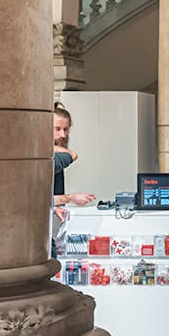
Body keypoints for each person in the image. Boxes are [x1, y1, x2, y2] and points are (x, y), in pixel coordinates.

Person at [51, 102, 93, 241]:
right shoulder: (45, 159)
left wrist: (54, 206)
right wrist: (71, 198)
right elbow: (72, 155)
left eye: (66, 129)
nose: (62, 135)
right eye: (57, 129)